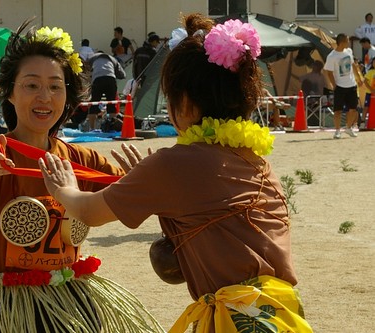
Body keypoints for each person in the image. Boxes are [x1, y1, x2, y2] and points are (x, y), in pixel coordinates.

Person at [39, 13, 313, 333]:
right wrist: (149, 185)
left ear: (184, 103)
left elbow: (89, 211)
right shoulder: (256, 160)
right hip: (283, 316)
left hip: (237, 323)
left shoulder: (173, 164)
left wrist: (63, 188)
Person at [0, 21, 164, 333]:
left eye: (56, 86)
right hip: (7, 309)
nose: (45, 97)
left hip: (71, 303)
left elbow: (121, 199)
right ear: (10, 93)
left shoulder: (80, 158)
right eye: (31, 85)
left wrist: (140, 180)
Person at [324, 33, 362, 139]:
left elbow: (353, 64)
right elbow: (329, 72)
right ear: (342, 42)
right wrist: (334, 85)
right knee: (338, 110)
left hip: (352, 84)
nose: (349, 42)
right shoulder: (332, 56)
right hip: (340, 86)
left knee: (353, 109)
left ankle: (348, 127)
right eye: (347, 40)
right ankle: (337, 130)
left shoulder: (349, 51)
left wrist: (358, 77)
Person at [86, 51, 126, 130]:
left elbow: (84, 69)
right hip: (111, 79)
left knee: (94, 104)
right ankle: (112, 127)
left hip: (97, 80)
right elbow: (122, 75)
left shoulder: (91, 58)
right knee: (111, 104)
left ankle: (92, 128)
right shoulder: (113, 59)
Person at [361, 56, 375, 127]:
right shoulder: (370, 72)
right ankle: (363, 122)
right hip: (369, 93)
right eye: (374, 62)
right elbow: (365, 81)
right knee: (366, 107)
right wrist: (371, 89)